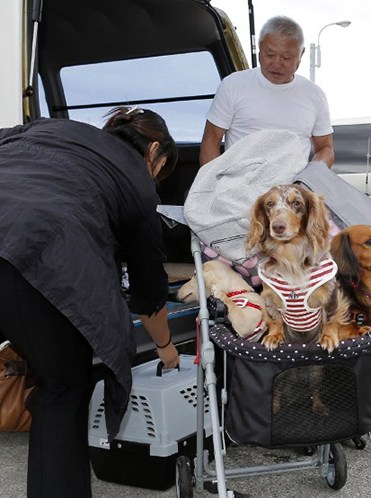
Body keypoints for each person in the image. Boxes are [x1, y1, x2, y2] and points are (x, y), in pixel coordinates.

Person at [0, 107, 180, 498]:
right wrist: (166, 349)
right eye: (161, 168)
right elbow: (149, 294)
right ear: (153, 151)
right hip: (36, 252)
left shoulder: (49, 129)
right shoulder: (137, 183)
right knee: (63, 386)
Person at [200, 15, 334, 167]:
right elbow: (211, 140)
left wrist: (308, 179)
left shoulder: (314, 95)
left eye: (286, 57)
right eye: (269, 54)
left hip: (290, 187)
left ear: (301, 54)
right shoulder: (233, 85)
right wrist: (214, 186)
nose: (277, 64)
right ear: (260, 48)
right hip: (239, 185)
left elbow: (325, 148)